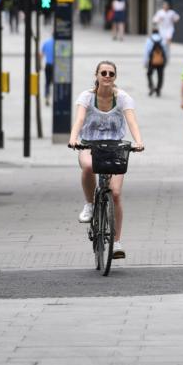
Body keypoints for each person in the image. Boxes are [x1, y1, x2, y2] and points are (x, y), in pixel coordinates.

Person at [68, 61, 145, 260]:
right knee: (87, 166)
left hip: (114, 146)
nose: (107, 76)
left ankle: (116, 241)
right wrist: (73, 138)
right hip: (89, 144)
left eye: (111, 73)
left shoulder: (123, 98)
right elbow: (79, 119)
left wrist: (138, 141)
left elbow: (132, 121)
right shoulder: (86, 97)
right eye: (104, 72)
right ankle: (90, 204)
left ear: (115, 77)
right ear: (97, 75)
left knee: (116, 193)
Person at [144, 29, 167, 96]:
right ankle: (158, 89)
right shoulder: (163, 40)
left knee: (149, 74)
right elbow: (166, 51)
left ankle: (151, 87)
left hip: (152, 61)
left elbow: (146, 52)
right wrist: (166, 60)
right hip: (161, 61)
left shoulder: (149, 40)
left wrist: (145, 62)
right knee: (160, 75)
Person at [39, 34, 55, 106]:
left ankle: (47, 98)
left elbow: (41, 54)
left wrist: (40, 64)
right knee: (56, 83)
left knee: (47, 83)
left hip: (48, 65)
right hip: (56, 66)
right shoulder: (58, 43)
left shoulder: (46, 42)